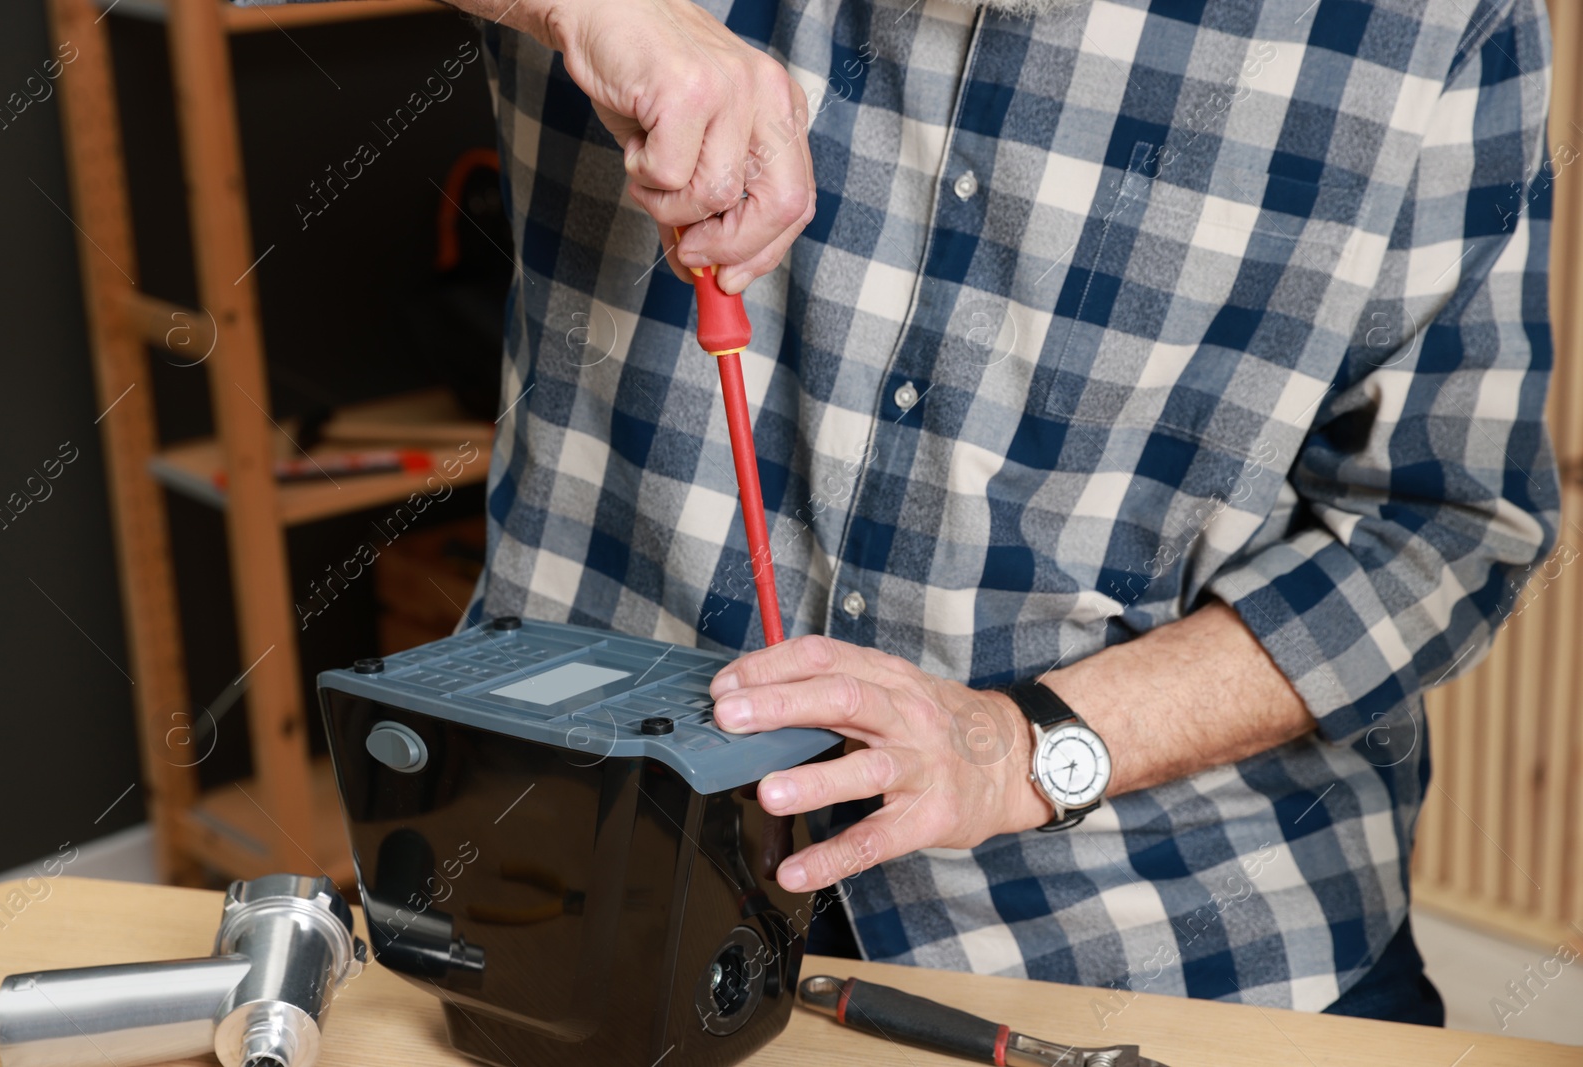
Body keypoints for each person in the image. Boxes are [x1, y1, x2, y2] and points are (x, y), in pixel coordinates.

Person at [255, 0, 1559, 1025]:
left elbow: (1441, 524)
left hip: (1180, 926)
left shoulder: (1438, 20)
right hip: (596, 861)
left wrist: (1028, 748)